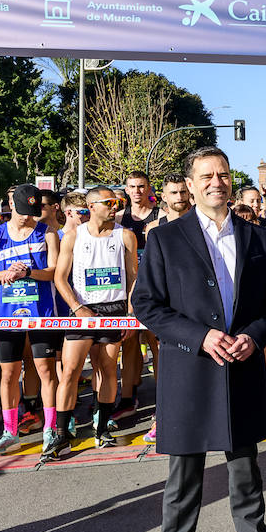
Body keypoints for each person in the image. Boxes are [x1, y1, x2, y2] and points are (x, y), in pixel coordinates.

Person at [132, 146, 266, 532]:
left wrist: (254, 337)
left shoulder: (259, 238)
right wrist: (201, 337)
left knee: (245, 469)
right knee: (184, 479)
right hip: (190, 369)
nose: (216, 182)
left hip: (240, 367)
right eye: (206, 176)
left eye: (222, 174)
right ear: (191, 184)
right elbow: (147, 305)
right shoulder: (164, 238)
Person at [0, 185, 63, 456]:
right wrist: (4, 274)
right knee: (9, 374)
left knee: (45, 370)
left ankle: (50, 430)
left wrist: (28, 272)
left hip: (42, 313)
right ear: (11, 205)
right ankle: (9, 433)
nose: (29, 217)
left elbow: (54, 272)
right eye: (25, 212)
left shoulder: (47, 232)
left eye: (34, 211)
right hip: (7, 315)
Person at [52, 186, 138, 457]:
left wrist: (129, 315)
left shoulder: (125, 235)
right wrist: (77, 308)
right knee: (70, 371)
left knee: (107, 369)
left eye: (118, 202)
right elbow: (59, 277)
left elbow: (134, 278)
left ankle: (102, 429)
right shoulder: (73, 236)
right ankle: (61, 433)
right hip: (82, 310)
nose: (115, 206)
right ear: (91, 206)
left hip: (113, 310)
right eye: (109, 202)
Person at [118, 171, 159, 423]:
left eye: (141, 186)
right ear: (126, 189)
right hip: (128, 287)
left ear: (149, 188)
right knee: (129, 345)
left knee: (157, 345)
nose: (137, 191)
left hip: (155, 288)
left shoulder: (160, 216)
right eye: (132, 186)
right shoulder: (118, 218)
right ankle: (128, 398)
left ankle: (161, 399)